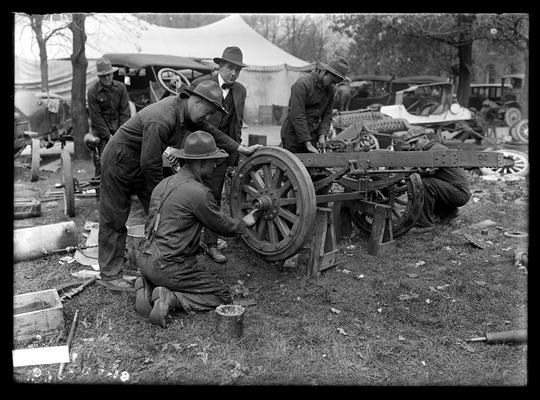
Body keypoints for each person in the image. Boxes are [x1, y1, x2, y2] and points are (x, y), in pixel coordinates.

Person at [98, 80, 262, 291]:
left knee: (162, 216)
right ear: (196, 101)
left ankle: (161, 262)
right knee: (115, 217)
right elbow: (151, 164)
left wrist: (239, 148)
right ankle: (111, 276)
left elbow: (210, 131)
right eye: (209, 111)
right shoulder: (162, 117)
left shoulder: (188, 112)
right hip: (119, 161)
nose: (209, 117)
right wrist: (163, 195)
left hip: (140, 160)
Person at [134, 131, 258, 327]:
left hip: (145, 257)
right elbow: (221, 225)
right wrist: (244, 223)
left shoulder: (163, 184)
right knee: (221, 293)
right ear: (201, 163)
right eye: (212, 161)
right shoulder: (199, 192)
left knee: (162, 268)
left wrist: (194, 243)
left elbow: (158, 225)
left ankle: (148, 286)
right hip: (168, 266)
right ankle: (170, 298)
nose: (216, 165)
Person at [189, 46, 248, 264]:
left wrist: (235, 152)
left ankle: (212, 245)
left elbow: (237, 123)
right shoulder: (200, 84)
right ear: (220, 66)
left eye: (237, 70)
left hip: (221, 153)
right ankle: (190, 243)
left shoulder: (241, 91)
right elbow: (186, 116)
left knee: (213, 198)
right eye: (230, 67)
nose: (233, 73)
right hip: (195, 152)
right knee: (191, 196)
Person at [401, 131, 471, 234]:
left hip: (459, 193)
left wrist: (404, 177)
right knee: (430, 184)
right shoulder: (431, 149)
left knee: (424, 184)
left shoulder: (436, 151)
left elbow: (424, 171)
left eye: (415, 142)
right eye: (411, 144)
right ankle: (449, 214)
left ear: (424, 137)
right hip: (455, 189)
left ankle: (425, 225)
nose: (413, 146)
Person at [281, 57, 350, 154]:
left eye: (336, 83)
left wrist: (322, 135)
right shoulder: (302, 85)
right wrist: (307, 143)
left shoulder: (329, 90)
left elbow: (327, 115)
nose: (334, 86)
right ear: (324, 73)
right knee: (292, 167)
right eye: (332, 81)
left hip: (313, 136)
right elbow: (297, 116)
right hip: (293, 137)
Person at [86, 57, 131, 178]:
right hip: (101, 132)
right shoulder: (92, 92)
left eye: (109, 75)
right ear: (99, 77)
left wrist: (121, 133)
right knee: (103, 159)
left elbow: (125, 112)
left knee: (129, 157)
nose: (107, 78)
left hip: (120, 129)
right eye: (103, 75)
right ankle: (100, 188)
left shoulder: (121, 88)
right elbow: (96, 117)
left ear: (112, 74)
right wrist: (108, 136)